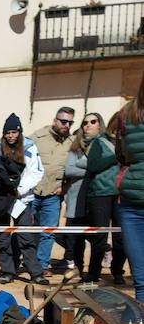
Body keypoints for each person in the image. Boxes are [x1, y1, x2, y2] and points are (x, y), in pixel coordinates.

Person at [0, 114, 45, 284]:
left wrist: (20, 190)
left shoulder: (29, 147)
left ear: (19, 132)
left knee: (26, 237)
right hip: (2, 199)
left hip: (23, 199)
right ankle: (7, 271)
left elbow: (36, 171)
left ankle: (35, 272)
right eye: (7, 133)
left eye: (14, 132)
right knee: (3, 237)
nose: (10, 136)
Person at [109, 73, 144, 300]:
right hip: (131, 201)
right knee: (141, 282)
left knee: (141, 282)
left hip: (130, 199)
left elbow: (120, 154)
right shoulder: (127, 113)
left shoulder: (127, 113)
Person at [31, 106, 75, 273]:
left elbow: (75, 168)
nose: (66, 125)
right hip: (33, 192)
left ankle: (42, 265)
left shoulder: (72, 143)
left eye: (70, 123)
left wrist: (65, 187)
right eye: (63, 121)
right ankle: (28, 262)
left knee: (48, 232)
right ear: (55, 120)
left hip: (54, 194)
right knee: (28, 231)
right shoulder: (37, 137)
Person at [84, 113, 125, 285]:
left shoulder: (127, 143)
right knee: (100, 237)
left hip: (121, 194)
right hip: (100, 194)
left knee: (121, 238)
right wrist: (115, 156)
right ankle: (94, 273)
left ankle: (117, 271)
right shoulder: (98, 142)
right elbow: (93, 165)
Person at [62, 116, 100, 277]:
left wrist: (83, 165)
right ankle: (78, 270)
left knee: (97, 239)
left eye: (92, 122)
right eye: (85, 122)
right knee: (75, 240)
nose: (88, 125)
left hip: (96, 198)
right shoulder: (75, 148)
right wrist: (91, 170)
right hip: (76, 200)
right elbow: (69, 170)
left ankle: (94, 273)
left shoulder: (103, 145)